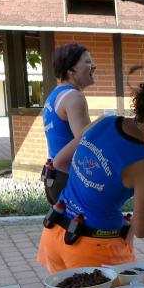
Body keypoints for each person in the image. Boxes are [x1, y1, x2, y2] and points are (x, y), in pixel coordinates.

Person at [37, 72, 144, 272]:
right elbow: (142, 229)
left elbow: (60, 162)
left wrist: (93, 185)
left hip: (54, 233)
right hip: (93, 250)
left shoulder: (104, 122)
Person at [41, 43, 93, 204]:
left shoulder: (54, 95)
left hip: (54, 178)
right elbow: (87, 144)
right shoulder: (74, 97)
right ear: (70, 70)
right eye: (87, 62)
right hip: (71, 179)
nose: (94, 66)